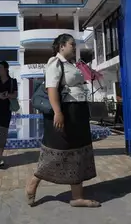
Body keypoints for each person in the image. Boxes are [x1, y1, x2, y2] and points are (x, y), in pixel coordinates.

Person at [25, 34, 100, 208]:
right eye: (71, 44)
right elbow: (51, 88)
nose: (74, 47)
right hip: (66, 112)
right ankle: (33, 182)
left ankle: (77, 197)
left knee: (78, 152)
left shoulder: (71, 65)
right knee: (57, 153)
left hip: (78, 113)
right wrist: (58, 112)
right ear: (61, 47)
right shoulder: (55, 63)